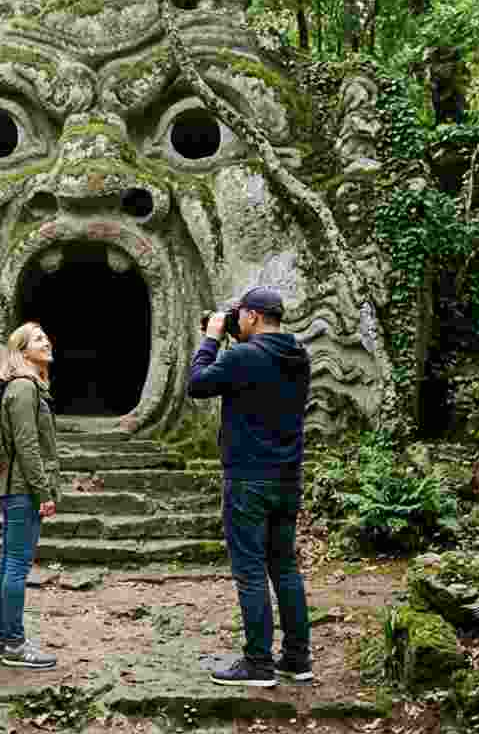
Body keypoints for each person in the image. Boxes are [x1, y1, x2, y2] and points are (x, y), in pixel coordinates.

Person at [187, 286, 313, 688]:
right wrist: (230, 336)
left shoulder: (242, 356)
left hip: (248, 479)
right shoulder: (299, 356)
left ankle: (258, 663)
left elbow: (198, 383)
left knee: (251, 571)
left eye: (239, 315)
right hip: (288, 477)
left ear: (253, 316)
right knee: (285, 567)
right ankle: (297, 658)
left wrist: (211, 338)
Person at [0, 322, 61, 670]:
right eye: (37, 339)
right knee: (16, 564)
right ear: (22, 350)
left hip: (15, 486)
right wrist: (43, 491)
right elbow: (27, 446)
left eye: (46, 337)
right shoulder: (24, 388)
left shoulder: (18, 387)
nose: (46, 343)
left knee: (7, 563)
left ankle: (2, 640)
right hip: (22, 489)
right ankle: (14, 643)